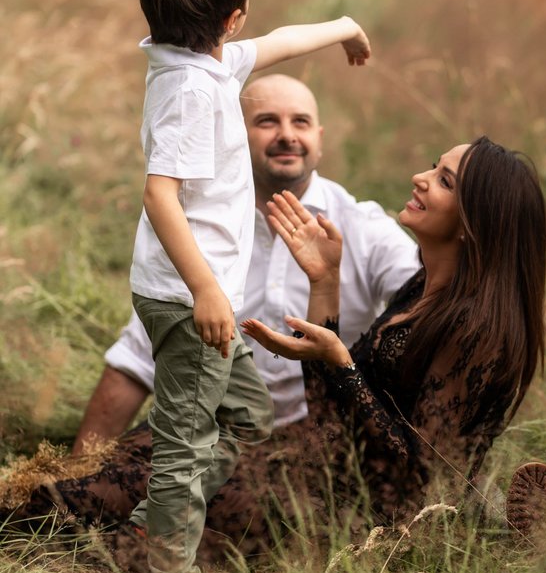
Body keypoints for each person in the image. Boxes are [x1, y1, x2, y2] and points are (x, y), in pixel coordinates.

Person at [2, 136, 546, 569]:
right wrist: (325, 283)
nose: (420, 178)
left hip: (344, 512)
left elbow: (415, 477)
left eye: (443, 180)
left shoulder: (477, 331)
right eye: (433, 166)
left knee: (114, 501)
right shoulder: (425, 288)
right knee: (151, 451)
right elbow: (329, 416)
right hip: (310, 461)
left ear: (473, 222)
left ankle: (500, 529)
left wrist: (340, 363)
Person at [125, 0, 371, 573]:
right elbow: (159, 195)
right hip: (191, 299)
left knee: (247, 416)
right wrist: (206, 290)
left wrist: (345, 27)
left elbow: (280, 41)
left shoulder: (206, 62)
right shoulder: (188, 91)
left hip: (200, 296)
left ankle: (155, 523)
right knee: (184, 446)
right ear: (232, 19)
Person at [71, 74, 420, 453]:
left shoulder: (364, 226)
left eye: (300, 122)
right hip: (212, 428)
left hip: (325, 443)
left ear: (319, 138)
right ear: (235, 137)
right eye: (267, 121)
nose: (287, 135)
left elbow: (431, 301)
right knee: (101, 480)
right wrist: (78, 466)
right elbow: (137, 357)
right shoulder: (199, 230)